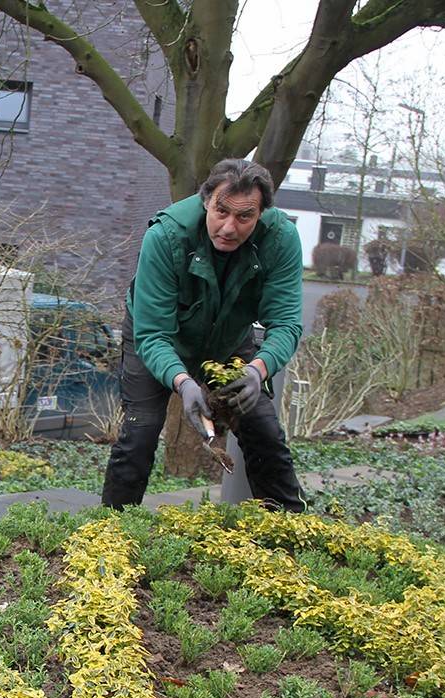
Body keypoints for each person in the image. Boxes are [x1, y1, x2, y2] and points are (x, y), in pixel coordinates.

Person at [101, 158, 306, 512]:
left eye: (244, 217)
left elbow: (286, 323)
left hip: (228, 340)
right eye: (221, 211)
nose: (229, 227)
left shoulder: (281, 239)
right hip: (157, 337)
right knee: (140, 435)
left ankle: (290, 534)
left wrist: (258, 370)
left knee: (263, 430)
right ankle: (111, 534)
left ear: (261, 215)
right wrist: (183, 382)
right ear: (206, 200)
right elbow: (152, 334)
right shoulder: (165, 237)